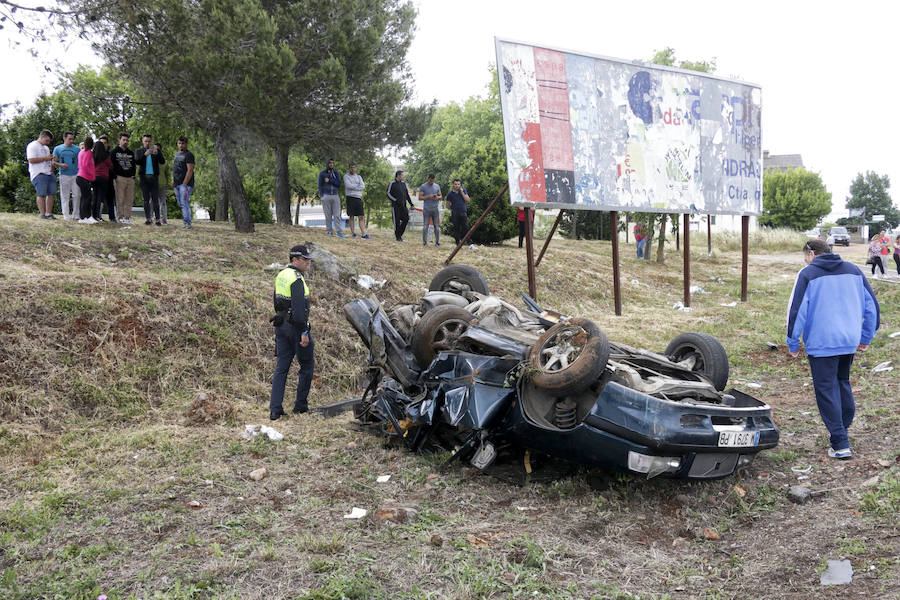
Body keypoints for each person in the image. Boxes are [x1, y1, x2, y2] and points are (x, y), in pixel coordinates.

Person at [787, 239, 880, 459]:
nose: (805, 261)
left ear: (811, 253)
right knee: (842, 382)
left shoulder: (808, 274)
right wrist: (866, 336)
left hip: (822, 343)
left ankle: (840, 442)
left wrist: (792, 342)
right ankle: (842, 428)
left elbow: (797, 309)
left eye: (805, 257)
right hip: (848, 340)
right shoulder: (854, 270)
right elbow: (872, 307)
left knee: (827, 389)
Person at [270, 244, 315, 420]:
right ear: (294, 260)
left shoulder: (281, 275)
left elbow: (276, 302)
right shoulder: (297, 279)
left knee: (281, 367)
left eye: (309, 259)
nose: (308, 263)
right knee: (307, 365)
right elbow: (298, 311)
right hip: (295, 328)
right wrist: (304, 332)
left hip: (281, 325)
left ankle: (275, 409)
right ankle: (301, 406)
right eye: (305, 259)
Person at [26, 130, 62, 219]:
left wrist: (51, 161)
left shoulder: (46, 148)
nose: (48, 142)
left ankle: (48, 213)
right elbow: (31, 160)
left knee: (51, 193)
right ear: (42, 137)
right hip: (38, 173)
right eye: (47, 140)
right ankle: (42, 214)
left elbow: (47, 160)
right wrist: (45, 158)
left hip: (49, 173)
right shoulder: (32, 146)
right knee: (41, 193)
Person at [135, 134, 165, 226]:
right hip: (144, 177)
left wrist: (158, 151)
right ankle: (148, 218)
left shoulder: (155, 151)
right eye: (146, 141)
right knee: (146, 200)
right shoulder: (139, 151)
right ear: (142, 141)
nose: (147, 143)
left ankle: (157, 219)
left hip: (154, 177)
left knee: (155, 199)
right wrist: (144, 155)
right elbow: (137, 161)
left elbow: (162, 161)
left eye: (149, 141)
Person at [53, 132, 80, 221]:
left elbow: (80, 161)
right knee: (65, 195)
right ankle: (66, 215)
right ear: (64, 138)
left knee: (77, 195)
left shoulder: (77, 149)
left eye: (72, 139)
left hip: (75, 174)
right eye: (70, 139)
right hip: (64, 174)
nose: (71, 141)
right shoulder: (57, 149)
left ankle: (76, 215)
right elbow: (53, 162)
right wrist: (60, 165)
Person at [111, 134, 136, 223]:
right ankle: (120, 217)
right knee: (120, 198)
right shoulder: (114, 152)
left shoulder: (131, 153)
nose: (125, 142)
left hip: (130, 178)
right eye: (124, 140)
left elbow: (134, 166)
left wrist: (133, 176)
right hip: (119, 177)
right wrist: (115, 176)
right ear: (119, 140)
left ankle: (127, 217)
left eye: (127, 140)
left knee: (129, 199)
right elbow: (111, 165)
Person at [173, 136, 196, 230]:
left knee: (184, 202)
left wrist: (184, 184)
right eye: (179, 143)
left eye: (182, 143)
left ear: (186, 144)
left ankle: (187, 223)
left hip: (185, 185)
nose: (181, 145)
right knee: (180, 203)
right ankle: (186, 221)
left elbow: (190, 170)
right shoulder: (177, 154)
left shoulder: (189, 155)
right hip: (176, 183)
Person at [318, 158, 345, 237]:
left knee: (337, 215)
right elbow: (320, 185)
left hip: (335, 195)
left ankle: (339, 232)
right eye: (330, 163)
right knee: (328, 215)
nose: (331, 164)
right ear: (327, 164)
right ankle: (329, 231)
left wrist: (330, 180)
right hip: (326, 196)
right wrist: (322, 195)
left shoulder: (336, 173)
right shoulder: (322, 173)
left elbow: (338, 184)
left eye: (333, 163)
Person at [387, 170, 415, 242]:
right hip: (395, 206)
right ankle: (398, 237)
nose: (403, 176)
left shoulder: (403, 184)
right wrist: (395, 200)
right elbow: (388, 193)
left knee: (406, 219)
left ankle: (399, 234)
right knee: (396, 222)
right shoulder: (392, 183)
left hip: (403, 206)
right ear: (398, 175)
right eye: (402, 175)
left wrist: (411, 204)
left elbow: (407, 195)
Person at [92, 135, 115, 222]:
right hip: (103, 178)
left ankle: (93, 215)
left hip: (94, 177)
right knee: (100, 197)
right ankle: (98, 215)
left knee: (95, 197)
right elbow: (111, 166)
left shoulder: (93, 155)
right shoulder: (105, 156)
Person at [343, 163, 368, 239]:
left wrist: (354, 187)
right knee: (352, 216)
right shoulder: (346, 176)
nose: (353, 169)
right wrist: (357, 186)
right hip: (350, 198)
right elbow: (348, 186)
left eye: (354, 167)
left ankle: (364, 234)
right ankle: (353, 233)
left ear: (356, 168)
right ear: (349, 168)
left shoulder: (359, 177)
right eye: (351, 168)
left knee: (361, 216)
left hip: (358, 198)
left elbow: (362, 186)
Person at [75, 136, 96, 224]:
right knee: (87, 198)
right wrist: (92, 176)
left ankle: (85, 216)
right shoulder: (89, 153)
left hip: (79, 176)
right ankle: (84, 217)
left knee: (85, 197)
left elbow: (80, 165)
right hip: (85, 177)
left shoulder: (81, 152)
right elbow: (86, 165)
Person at [418, 174, 442, 246]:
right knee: (425, 226)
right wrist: (429, 196)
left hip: (435, 208)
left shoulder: (437, 186)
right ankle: (424, 242)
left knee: (436, 226)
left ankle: (437, 242)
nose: (431, 182)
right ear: (428, 179)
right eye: (430, 180)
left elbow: (440, 196)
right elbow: (420, 197)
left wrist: (436, 197)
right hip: (426, 209)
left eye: (433, 180)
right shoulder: (423, 186)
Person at [446, 178, 470, 245]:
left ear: (460, 185)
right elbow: (447, 205)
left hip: (463, 212)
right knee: (456, 228)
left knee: (466, 227)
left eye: (458, 184)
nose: (457, 185)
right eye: (455, 184)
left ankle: (468, 242)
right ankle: (457, 243)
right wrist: (453, 209)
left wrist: (462, 192)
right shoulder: (450, 194)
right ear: (453, 185)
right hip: (455, 213)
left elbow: (468, 200)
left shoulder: (464, 191)